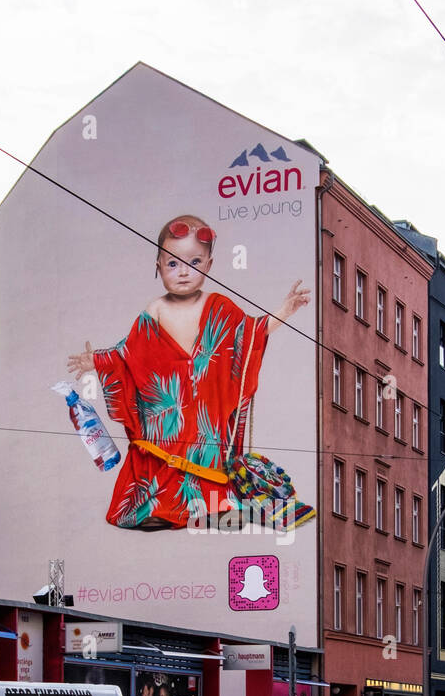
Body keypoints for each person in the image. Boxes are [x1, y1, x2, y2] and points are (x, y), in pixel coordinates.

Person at [67, 216, 314, 531]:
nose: (183, 271)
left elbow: (249, 334)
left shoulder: (218, 306)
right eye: (173, 263)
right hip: (164, 417)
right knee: (158, 463)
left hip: (208, 414)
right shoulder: (154, 311)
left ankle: (215, 508)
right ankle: (157, 509)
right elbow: (127, 355)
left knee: (210, 459)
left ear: (209, 265)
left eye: (194, 262)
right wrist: (97, 361)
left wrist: (284, 311)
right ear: (158, 266)